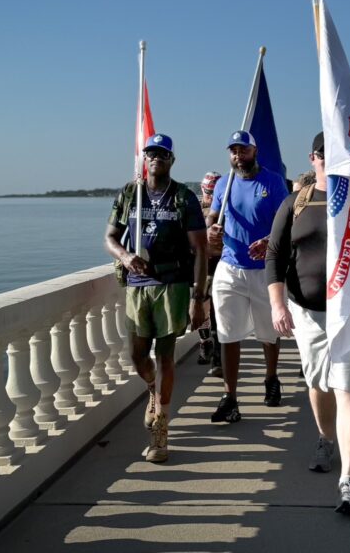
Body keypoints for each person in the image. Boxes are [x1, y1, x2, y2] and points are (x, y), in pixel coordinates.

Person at [266, 132, 350, 516]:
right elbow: (275, 255)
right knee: (318, 381)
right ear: (313, 158)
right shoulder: (295, 203)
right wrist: (277, 305)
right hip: (306, 312)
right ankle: (325, 437)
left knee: (348, 388)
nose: (330, 161)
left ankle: (348, 478)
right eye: (323, 155)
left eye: (337, 155)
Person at [105, 133, 207, 463]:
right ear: (143, 158)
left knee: (165, 355)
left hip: (172, 284)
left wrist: (198, 297)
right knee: (136, 355)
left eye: (162, 154)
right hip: (137, 283)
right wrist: (124, 256)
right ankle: (152, 388)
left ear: (172, 160)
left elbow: (201, 249)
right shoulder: (129, 193)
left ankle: (160, 430)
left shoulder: (183, 197)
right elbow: (110, 236)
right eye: (150, 153)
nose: (155, 158)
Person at [206, 130, 288, 422]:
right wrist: (211, 228)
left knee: (269, 332)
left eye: (243, 151)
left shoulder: (273, 182)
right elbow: (213, 216)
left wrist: (269, 240)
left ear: (255, 152)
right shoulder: (222, 184)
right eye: (233, 151)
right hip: (229, 268)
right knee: (228, 334)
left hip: (264, 270)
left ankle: (271, 378)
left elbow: (285, 221)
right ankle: (230, 397)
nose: (238, 157)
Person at [197, 171, 223, 377]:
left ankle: (218, 356)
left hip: (220, 265)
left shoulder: (224, 209)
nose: (210, 196)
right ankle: (205, 342)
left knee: (217, 312)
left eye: (213, 192)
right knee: (201, 308)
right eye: (207, 192)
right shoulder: (195, 209)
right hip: (200, 266)